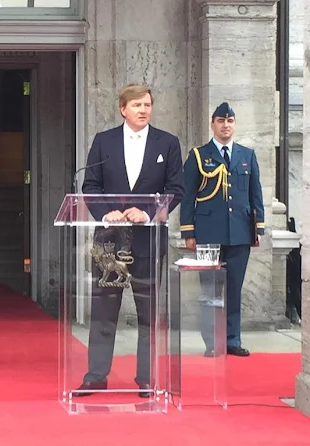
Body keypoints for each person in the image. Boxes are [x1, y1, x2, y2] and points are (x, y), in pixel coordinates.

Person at [77, 84, 184, 397]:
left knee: (148, 313)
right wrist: (106, 212)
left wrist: (148, 211)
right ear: (123, 108)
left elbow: (175, 189)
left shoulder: (168, 142)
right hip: (109, 242)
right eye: (137, 104)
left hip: (147, 241)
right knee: (104, 310)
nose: (143, 110)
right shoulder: (104, 141)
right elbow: (90, 185)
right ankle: (95, 376)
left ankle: (147, 379)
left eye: (147, 104)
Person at [180, 102, 264, 357]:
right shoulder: (198, 155)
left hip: (239, 232)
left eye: (230, 121)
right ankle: (212, 342)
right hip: (208, 233)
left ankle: (232, 340)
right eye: (220, 121)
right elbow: (187, 196)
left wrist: (257, 228)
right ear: (212, 124)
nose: (225, 125)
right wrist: (188, 232)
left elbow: (255, 194)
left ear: (234, 124)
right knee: (210, 291)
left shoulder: (246, 155)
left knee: (234, 289)